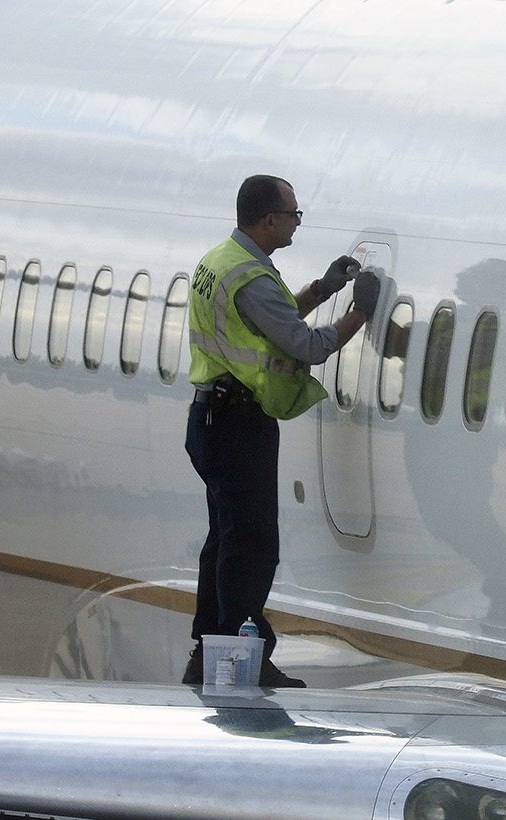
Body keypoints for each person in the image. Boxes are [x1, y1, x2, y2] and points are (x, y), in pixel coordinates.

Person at [181, 174, 380, 687]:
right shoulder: (251, 277)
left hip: (210, 418)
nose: (296, 222)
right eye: (293, 215)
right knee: (251, 547)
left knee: (224, 541)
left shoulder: (223, 261)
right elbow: (306, 346)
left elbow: (265, 320)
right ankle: (239, 661)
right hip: (237, 424)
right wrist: (360, 312)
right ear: (269, 219)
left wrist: (320, 289)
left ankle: (209, 650)